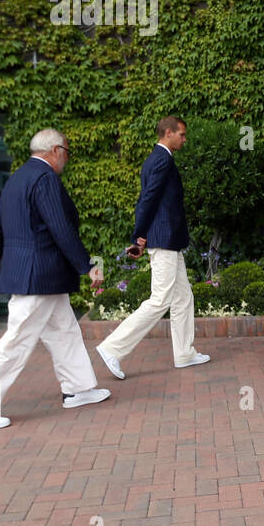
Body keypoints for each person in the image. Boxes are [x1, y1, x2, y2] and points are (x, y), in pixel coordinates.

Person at [0, 129, 111, 430]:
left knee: (65, 331)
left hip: (40, 277)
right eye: (66, 151)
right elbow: (60, 228)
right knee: (17, 340)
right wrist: (86, 266)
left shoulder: (17, 178)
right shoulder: (45, 178)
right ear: (55, 150)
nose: (66, 158)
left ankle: (78, 389)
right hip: (39, 275)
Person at [95, 117, 208, 378]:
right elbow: (146, 199)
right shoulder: (161, 160)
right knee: (160, 300)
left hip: (168, 240)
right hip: (164, 239)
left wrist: (142, 234)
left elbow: (150, 199)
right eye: (181, 134)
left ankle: (184, 353)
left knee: (183, 297)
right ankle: (112, 348)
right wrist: (138, 236)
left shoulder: (158, 159)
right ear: (168, 133)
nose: (184, 139)